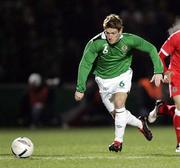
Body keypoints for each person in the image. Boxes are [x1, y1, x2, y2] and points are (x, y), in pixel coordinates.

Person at [74, 14, 163, 152]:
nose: (110, 36)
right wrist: (80, 87)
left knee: (119, 103)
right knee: (118, 116)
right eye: (107, 33)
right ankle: (140, 123)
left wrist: (158, 70)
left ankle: (118, 143)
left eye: (114, 33)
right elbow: (85, 64)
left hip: (123, 76)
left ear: (120, 31)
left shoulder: (129, 40)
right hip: (103, 82)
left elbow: (151, 48)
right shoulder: (96, 43)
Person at [148, 18, 180, 152]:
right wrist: (166, 72)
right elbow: (159, 55)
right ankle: (179, 144)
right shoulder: (176, 37)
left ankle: (162, 109)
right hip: (177, 75)